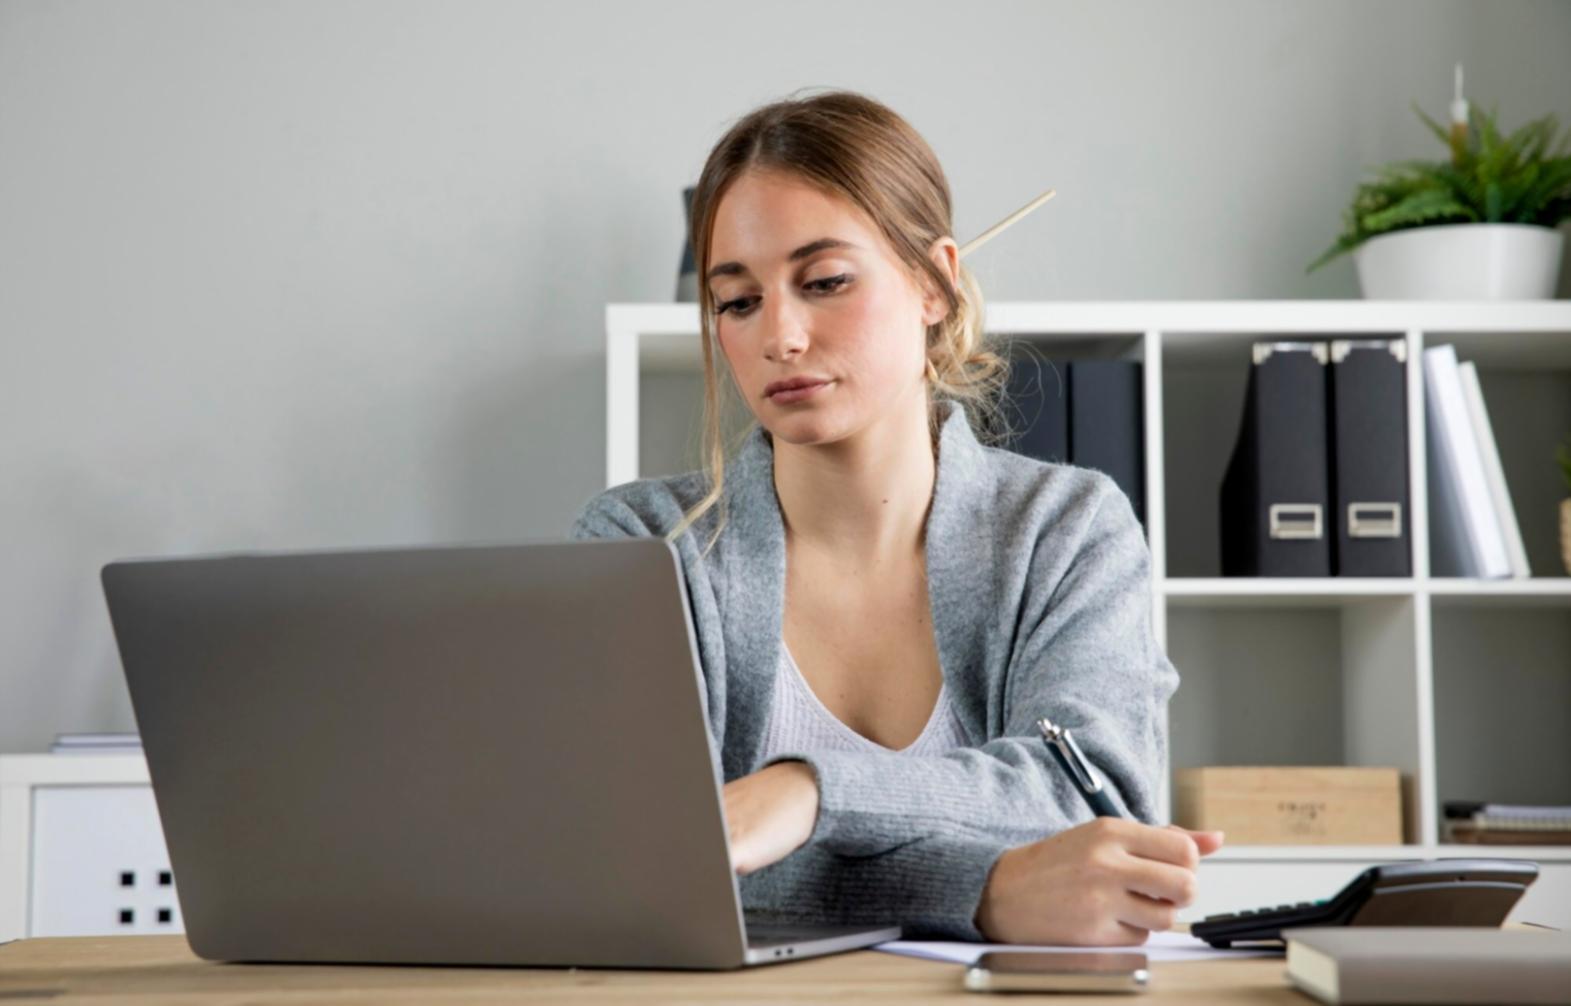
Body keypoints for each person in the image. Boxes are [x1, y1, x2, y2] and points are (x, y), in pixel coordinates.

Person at [569, 87, 1222, 945]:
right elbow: (642, 853)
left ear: (935, 284)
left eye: (825, 281)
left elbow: (1090, 805)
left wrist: (807, 793)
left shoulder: (1068, 529)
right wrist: (983, 892)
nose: (781, 338)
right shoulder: (642, 545)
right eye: (737, 301)